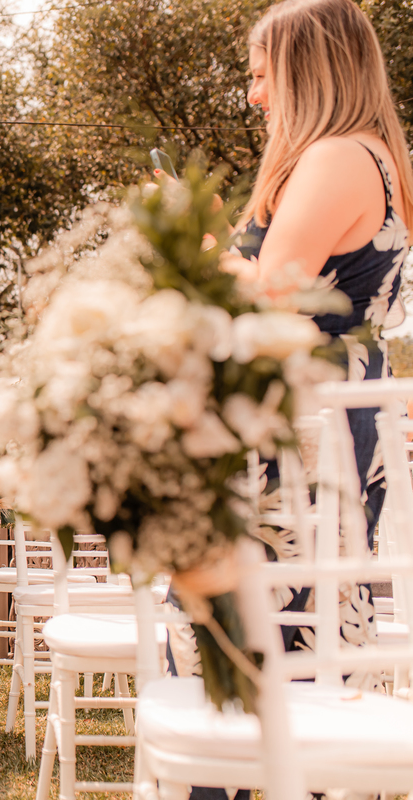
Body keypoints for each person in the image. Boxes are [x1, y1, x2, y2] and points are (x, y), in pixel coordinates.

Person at [168, 2, 411, 797]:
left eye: (262, 74)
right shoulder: (368, 156)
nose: (254, 94)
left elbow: (268, 299)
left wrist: (196, 241)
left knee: (260, 658)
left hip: (299, 448)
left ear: (309, 70)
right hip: (325, 433)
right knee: (289, 654)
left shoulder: (338, 156)